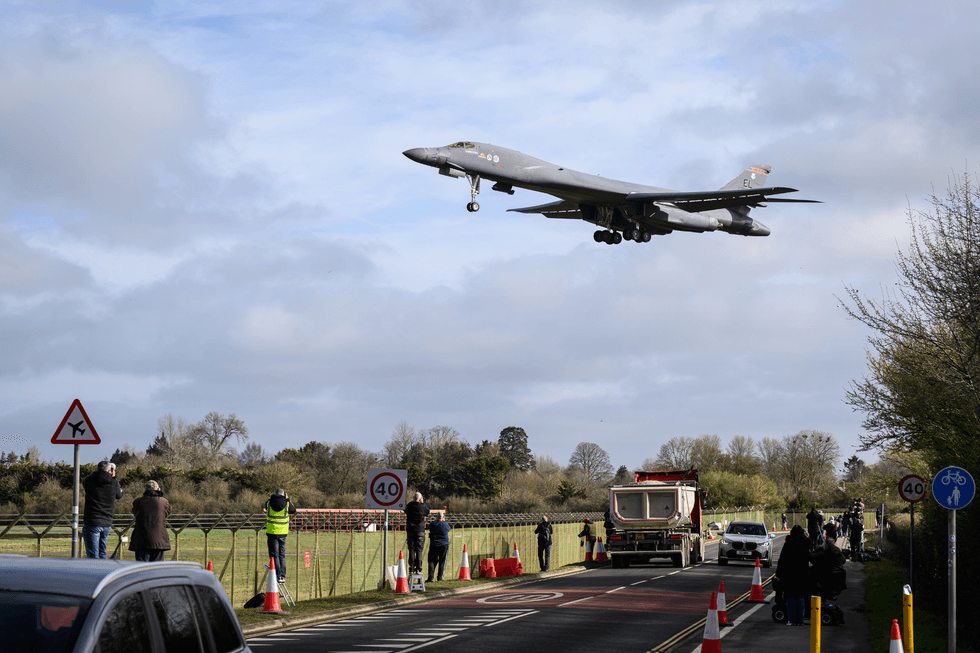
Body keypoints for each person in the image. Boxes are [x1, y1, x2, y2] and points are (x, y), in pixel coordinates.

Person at [82, 461, 122, 559]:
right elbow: (119, 495)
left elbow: (84, 481)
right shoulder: (114, 483)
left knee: (93, 554)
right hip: (107, 522)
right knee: (102, 552)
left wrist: (96, 473)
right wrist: (112, 476)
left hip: (92, 521)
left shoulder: (90, 481)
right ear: (110, 470)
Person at [775, 525, 811, 626]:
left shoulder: (789, 543)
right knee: (800, 597)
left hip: (789, 573)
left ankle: (792, 620)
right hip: (802, 573)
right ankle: (801, 620)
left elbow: (782, 559)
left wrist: (779, 573)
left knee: (790, 596)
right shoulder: (806, 543)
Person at [129, 480, 171, 562]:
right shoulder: (163, 502)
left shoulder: (138, 502)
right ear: (158, 489)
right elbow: (167, 512)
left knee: (141, 568)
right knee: (156, 568)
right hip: (159, 540)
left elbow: (135, 512)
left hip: (141, 540)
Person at [265, 488, 296, 582]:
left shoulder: (269, 503)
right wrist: (288, 499)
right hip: (283, 533)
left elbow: (266, 508)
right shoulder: (286, 503)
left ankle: (277, 575)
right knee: (281, 555)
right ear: (284, 494)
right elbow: (293, 510)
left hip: (272, 532)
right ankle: (282, 576)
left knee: (275, 555)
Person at [404, 492, 430, 574]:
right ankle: (419, 568)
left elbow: (406, 511)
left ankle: (411, 568)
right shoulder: (422, 507)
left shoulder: (409, 506)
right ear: (420, 499)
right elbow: (427, 512)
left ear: (413, 498)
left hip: (411, 531)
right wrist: (422, 503)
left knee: (411, 549)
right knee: (419, 550)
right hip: (420, 531)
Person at [425, 512, 452, 582]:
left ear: (436, 517)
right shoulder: (445, 524)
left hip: (434, 545)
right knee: (442, 561)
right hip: (444, 545)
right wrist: (444, 520)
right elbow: (448, 529)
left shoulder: (432, 524)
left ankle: (430, 577)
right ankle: (440, 577)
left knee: (431, 561)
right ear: (443, 517)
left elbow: (429, 527)